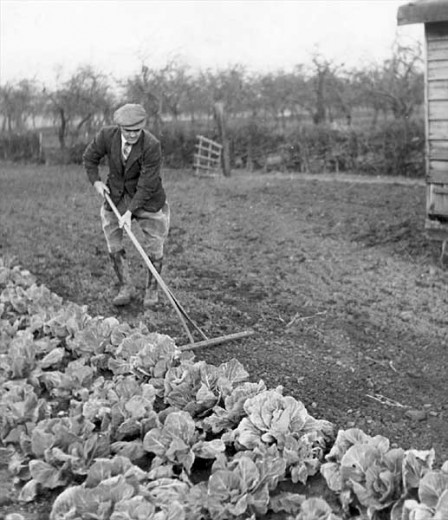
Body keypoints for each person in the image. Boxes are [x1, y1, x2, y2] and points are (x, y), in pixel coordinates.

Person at [83, 103, 170, 309]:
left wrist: (130, 212)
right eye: (127, 131)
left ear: (143, 127)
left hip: (148, 198)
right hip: (116, 194)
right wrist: (96, 182)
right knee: (113, 241)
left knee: (155, 243)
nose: (132, 135)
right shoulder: (107, 136)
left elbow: (146, 183)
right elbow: (89, 158)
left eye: (136, 131)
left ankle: (152, 289)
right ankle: (126, 287)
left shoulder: (151, 145)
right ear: (120, 127)